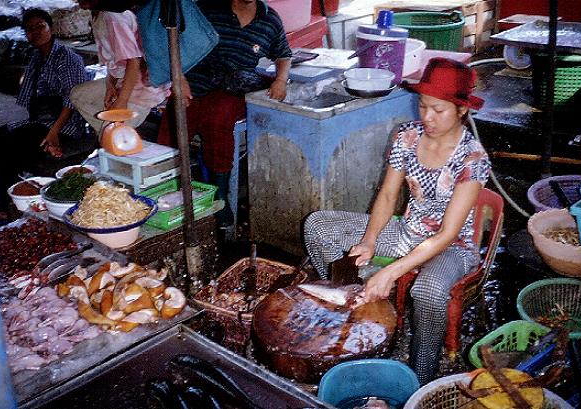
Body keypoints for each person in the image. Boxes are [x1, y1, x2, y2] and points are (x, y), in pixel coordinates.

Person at [303, 58, 491, 385]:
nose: (427, 117)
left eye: (438, 110)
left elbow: (447, 234)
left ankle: (421, 374)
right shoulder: (407, 136)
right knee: (318, 227)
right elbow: (389, 195)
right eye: (423, 106)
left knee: (428, 290)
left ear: (461, 110)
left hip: (452, 247)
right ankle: (353, 302)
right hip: (408, 232)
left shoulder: (472, 158)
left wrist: (391, 271)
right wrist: (369, 240)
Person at [157, 0, 292, 228]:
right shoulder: (205, 9)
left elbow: (284, 55)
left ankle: (219, 197)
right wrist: (180, 79)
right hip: (195, 82)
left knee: (218, 118)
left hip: (233, 88)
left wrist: (280, 80)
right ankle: (164, 194)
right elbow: (172, 44)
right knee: (174, 122)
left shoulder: (269, 19)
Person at [0, 8, 90, 212]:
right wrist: (14, 123)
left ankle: (8, 205)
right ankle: (8, 196)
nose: (35, 32)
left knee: (10, 148)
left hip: (63, 125)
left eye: (40, 26)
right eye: (29, 29)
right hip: (39, 121)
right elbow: (25, 98)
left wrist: (53, 132)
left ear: (51, 28)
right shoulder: (36, 57)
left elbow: (72, 100)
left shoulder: (67, 58)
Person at [71, 1, 170, 134]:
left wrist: (122, 101)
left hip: (144, 85)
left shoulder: (114, 17)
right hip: (124, 79)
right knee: (78, 95)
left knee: (111, 133)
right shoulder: (99, 14)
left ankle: (114, 134)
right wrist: (110, 83)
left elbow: (134, 61)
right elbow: (114, 61)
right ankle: (113, 134)